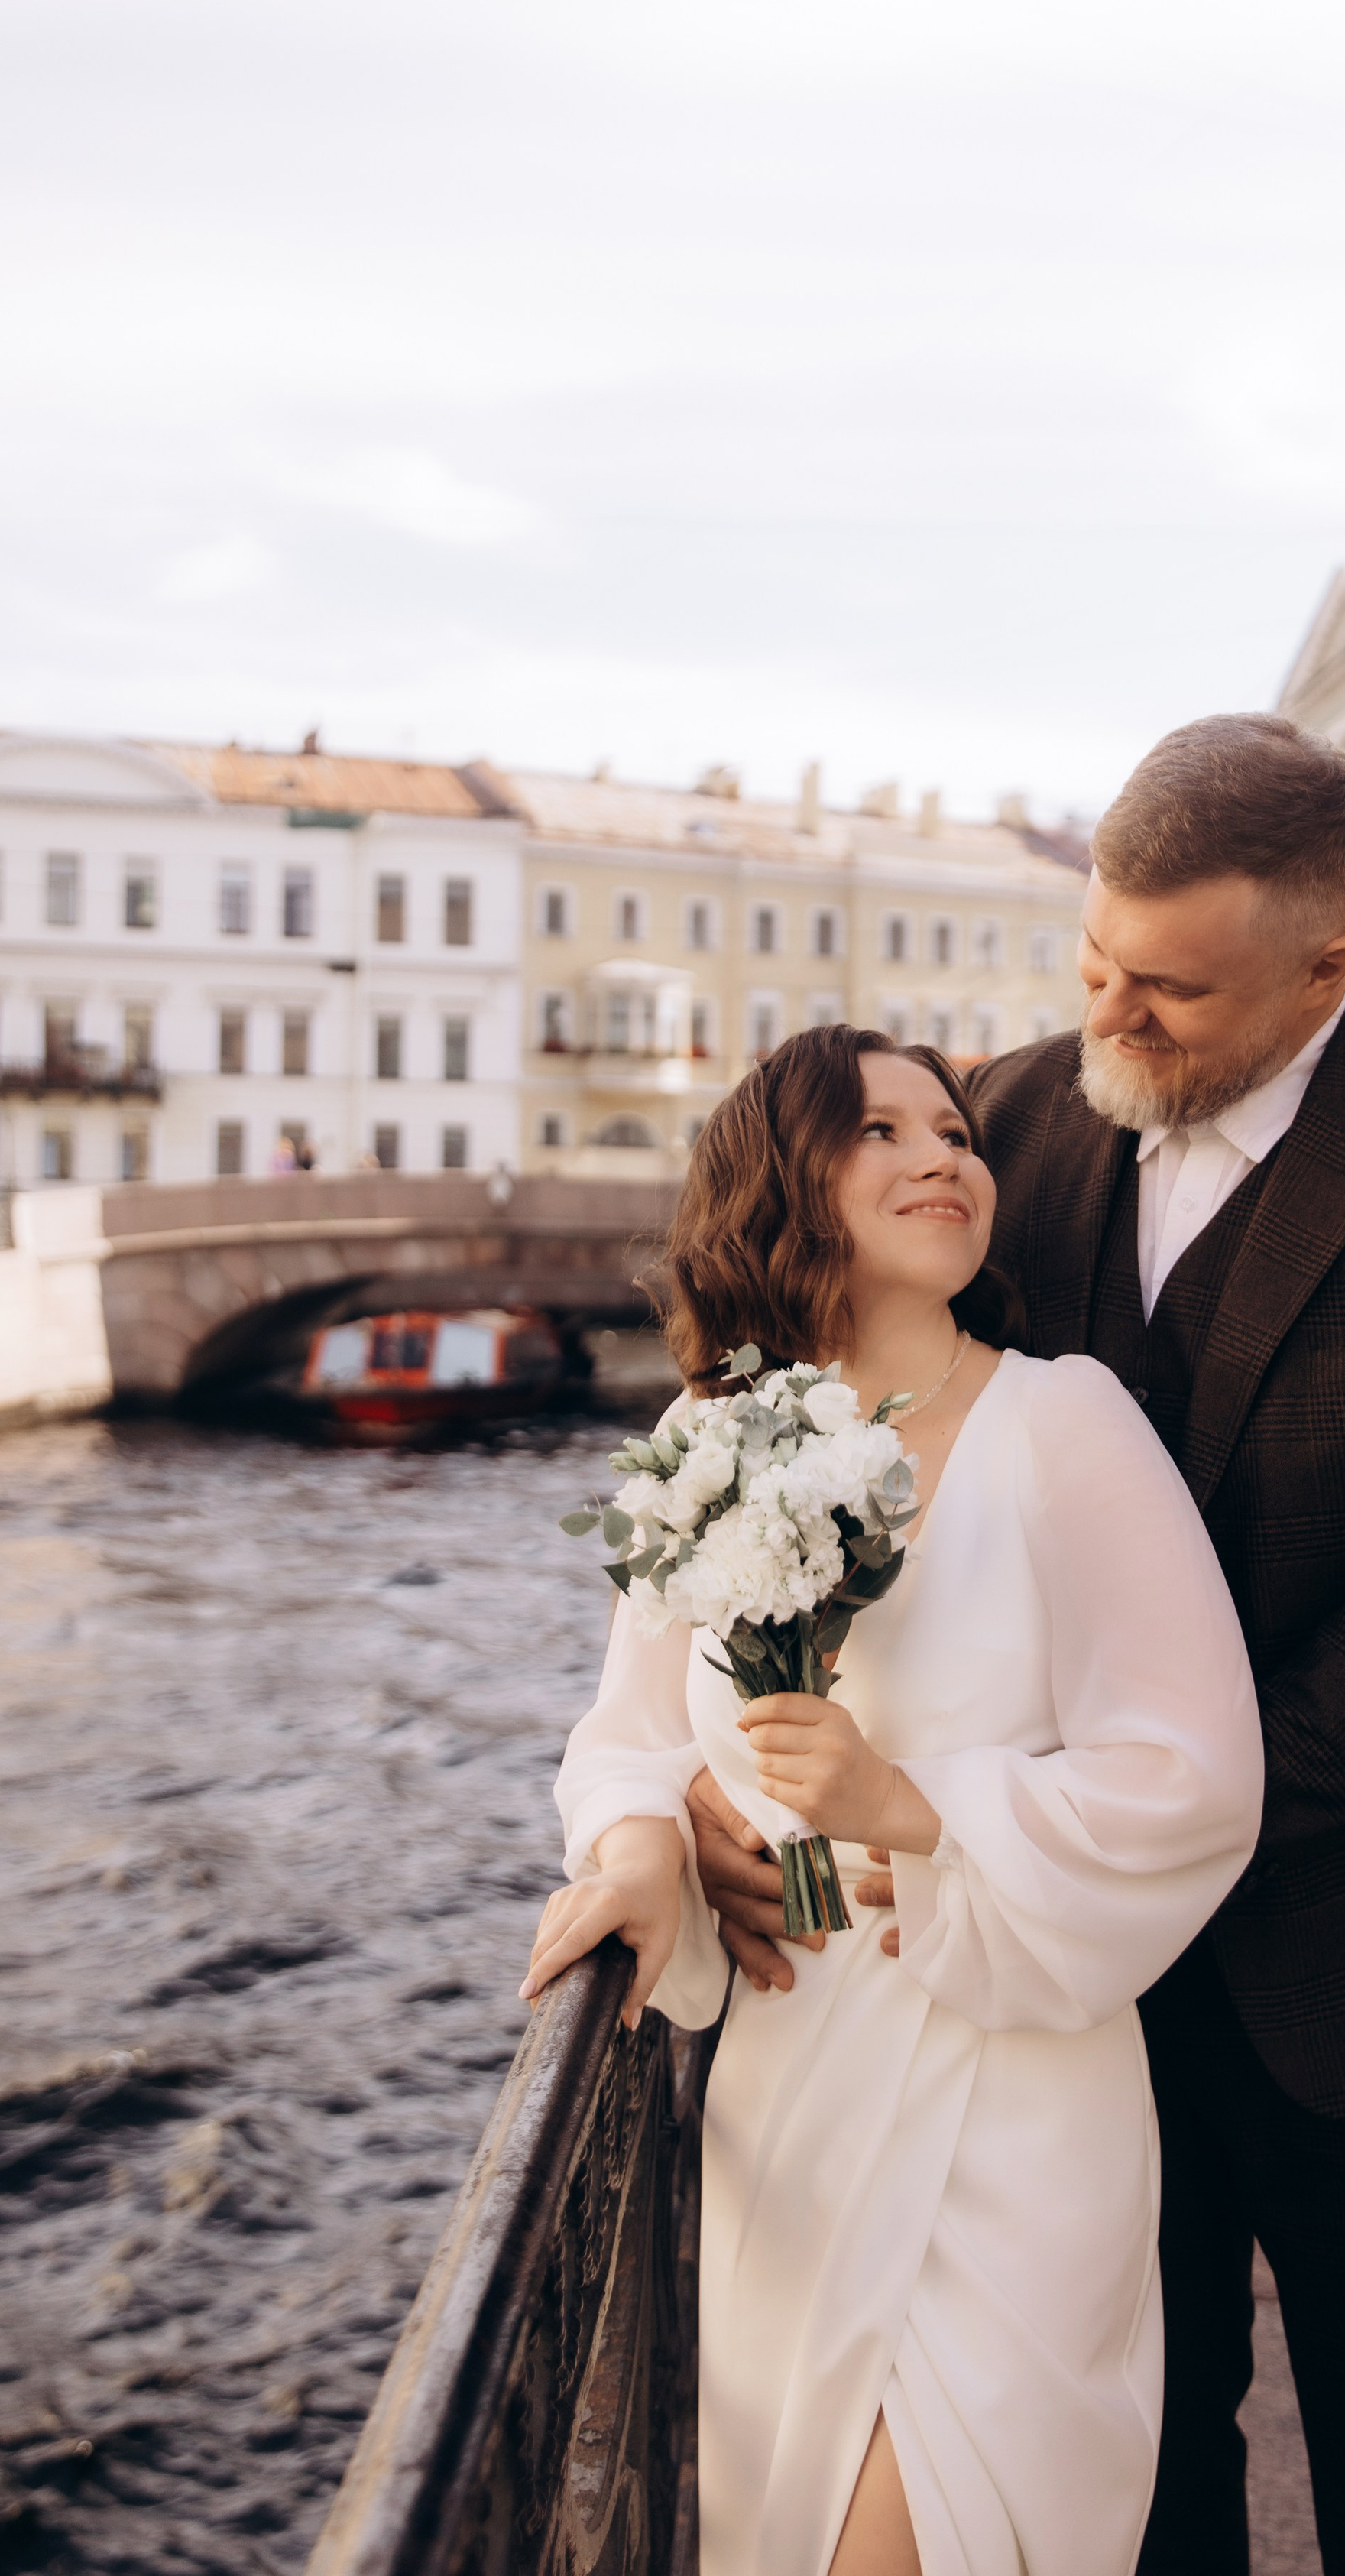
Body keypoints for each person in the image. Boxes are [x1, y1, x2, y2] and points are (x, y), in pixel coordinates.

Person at [691, 715, 1345, 2576]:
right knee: (1128, 2498)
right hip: (1047, 2007)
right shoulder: (1000, 1123)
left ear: (1325, 965)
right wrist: (705, 1797)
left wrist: (1159, 1815)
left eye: (1171, 993)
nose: (1113, 1017)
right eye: (1095, 962)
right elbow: (822, 1444)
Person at [527, 1027, 1265, 2576]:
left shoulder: (1065, 1425)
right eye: (880, 1131)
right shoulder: (702, 1443)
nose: (942, 1156)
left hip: (1014, 2080)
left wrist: (910, 1804)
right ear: (782, 1179)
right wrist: (645, 1841)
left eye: (954, 1130)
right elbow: (628, 1730)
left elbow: (1194, 1773)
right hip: (789, 2078)